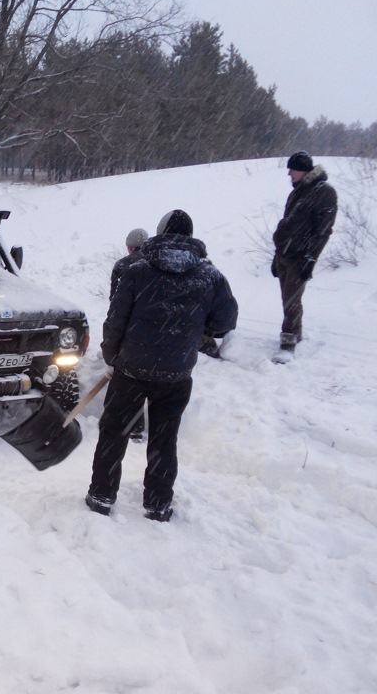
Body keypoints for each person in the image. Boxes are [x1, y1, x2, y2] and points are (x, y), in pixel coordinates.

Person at [86, 209, 238, 522]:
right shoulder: (209, 275)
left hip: (131, 370)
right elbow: (225, 322)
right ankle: (157, 503)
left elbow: (116, 320)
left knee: (114, 432)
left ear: (160, 232)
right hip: (176, 373)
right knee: (164, 439)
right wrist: (195, 326)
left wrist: (111, 357)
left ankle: (101, 495)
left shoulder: (137, 270)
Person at [271, 151, 337, 354]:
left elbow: (323, 231)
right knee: (287, 299)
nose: (289, 173)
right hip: (285, 253)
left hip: (300, 257)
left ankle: (288, 341)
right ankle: (296, 332)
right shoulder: (297, 192)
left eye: (292, 169)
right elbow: (287, 225)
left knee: (292, 300)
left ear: (304, 170)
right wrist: (277, 254)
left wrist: (310, 259)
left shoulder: (324, 192)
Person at [110, 227, 148, 441]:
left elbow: (114, 303)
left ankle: (132, 426)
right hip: (153, 333)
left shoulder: (123, 265)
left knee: (130, 381)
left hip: (129, 331)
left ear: (130, 247)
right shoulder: (157, 265)